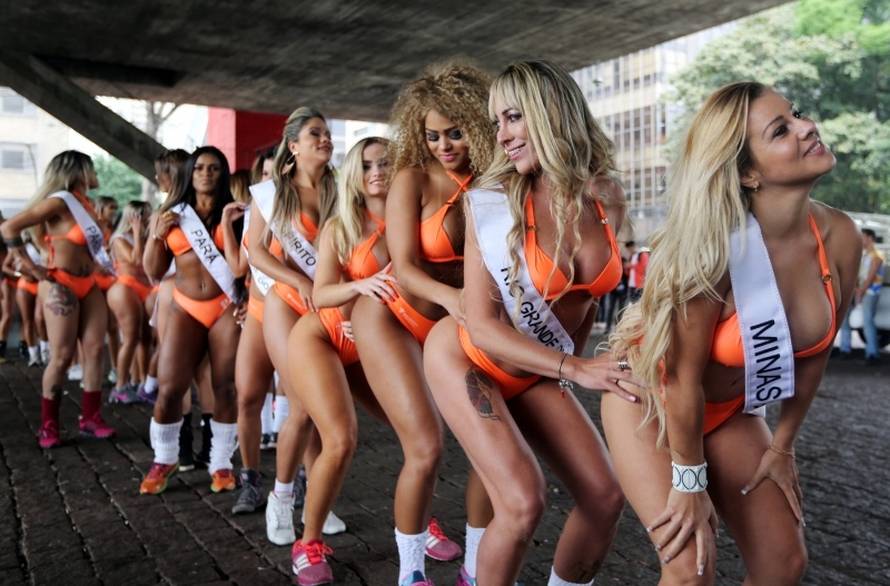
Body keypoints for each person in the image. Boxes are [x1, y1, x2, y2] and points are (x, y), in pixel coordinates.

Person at [606, 82, 861, 585]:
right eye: (781, 130)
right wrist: (689, 479)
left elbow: (816, 351)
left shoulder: (842, 237)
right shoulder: (712, 248)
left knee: (783, 564)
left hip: (728, 413)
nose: (808, 127)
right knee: (689, 567)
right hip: (652, 402)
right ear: (747, 172)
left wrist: (782, 445)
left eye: (798, 115)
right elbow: (680, 379)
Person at [422, 60, 629, 586]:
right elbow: (484, 326)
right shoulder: (491, 204)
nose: (502, 136)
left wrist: (572, 367)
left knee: (605, 498)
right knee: (521, 502)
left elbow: (585, 303)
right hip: (470, 354)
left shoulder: (605, 195)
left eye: (513, 117)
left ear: (551, 112)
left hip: (541, 363)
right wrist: (576, 367)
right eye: (497, 123)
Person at [350, 62, 492, 584]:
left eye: (455, 132)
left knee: (491, 445)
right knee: (426, 448)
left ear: (478, 124)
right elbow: (406, 266)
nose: (443, 145)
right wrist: (455, 298)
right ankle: (411, 573)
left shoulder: (498, 179)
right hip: (393, 316)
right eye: (432, 135)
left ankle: (477, 569)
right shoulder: (411, 177)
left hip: (454, 326)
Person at [287, 137, 398, 584]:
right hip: (326, 338)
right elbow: (321, 293)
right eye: (367, 164)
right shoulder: (342, 224)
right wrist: (359, 290)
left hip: (374, 344)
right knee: (341, 439)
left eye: (385, 163)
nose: (376, 171)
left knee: (418, 432)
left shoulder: (414, 219)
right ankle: (307, 544)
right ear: (355, 172)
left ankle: (416, 521)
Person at [247, 107, 345, 544]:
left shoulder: (343, 189)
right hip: (287, 303)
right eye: (315, 133)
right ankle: (282, 498)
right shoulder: (273, 193)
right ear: (294, 145)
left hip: (326, 307)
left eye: (326, 133)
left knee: (324, 412)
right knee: (303, 407)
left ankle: (316, 503)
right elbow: (257, 253)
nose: (325, 139)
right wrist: (299, 279)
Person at [139, 146, 243, 495]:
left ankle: (221, 463)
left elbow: (250, 266)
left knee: (225, 386)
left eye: (214, 168)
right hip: (185, 306)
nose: (206, 173)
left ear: (222, 173)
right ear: (189, 172)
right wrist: (155, 234)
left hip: (226, 306)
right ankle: (164, 457)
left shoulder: (237, 214)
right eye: (199, 167)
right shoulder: (172, 214)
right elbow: (153, 272)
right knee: (169, 388)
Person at [1, 150, 117, 448]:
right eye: (90, 167)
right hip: (60, 283)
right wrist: (29, 265)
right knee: (62, 355)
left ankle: (91, 418)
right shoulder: (59, 201)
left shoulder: (86, 204)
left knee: (95, 350)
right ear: (78, 170)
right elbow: (9, 227)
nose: (95, 173)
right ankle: (48, 425)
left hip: (88, 283)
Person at [107, 201, 153, 403]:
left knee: (146, 338)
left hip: (146, 288)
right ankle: (120, 385)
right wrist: (136, 233)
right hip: (126, 287)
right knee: (130, 337)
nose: (148, 219)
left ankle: (144, 383)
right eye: (144, 216)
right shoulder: (119, 238)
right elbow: (136, 260)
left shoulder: (146, 237)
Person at [838, 228, 884, 364]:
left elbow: (870, 277)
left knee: (868, 321)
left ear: (870, 238)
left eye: (863, 237)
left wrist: (860, 291)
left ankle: (872, 353)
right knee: (845, 316)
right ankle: (844, 349)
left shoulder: (876, 256)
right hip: (859, 291)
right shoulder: (864, 256)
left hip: (870, 293)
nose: (861, 240)